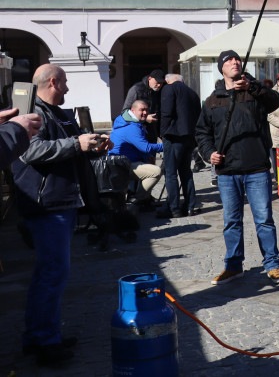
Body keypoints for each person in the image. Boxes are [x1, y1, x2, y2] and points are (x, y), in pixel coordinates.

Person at [12, 65, 111, 366]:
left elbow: (73, 149)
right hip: (47, 205)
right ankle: (44, 341)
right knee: (52, 275)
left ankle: (42, 335)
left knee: (50, 274)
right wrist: (76, 144)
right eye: (65, 82)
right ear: (53, 82)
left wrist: (94, 145)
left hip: (60, 202)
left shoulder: (60, 113)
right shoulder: (33, 113)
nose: (67, 88)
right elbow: (31, 151)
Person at [196, 49, 279, 286]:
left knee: (264, 219)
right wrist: (209, 154)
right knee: (232, 221)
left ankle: (273, 264)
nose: (235, 62)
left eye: (237, 58)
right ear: (221, 68)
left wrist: (252, 87)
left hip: (256, 167)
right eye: (228, 60)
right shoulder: (212, 100)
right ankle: (234, 266)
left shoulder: (255, 91)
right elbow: (203, 133)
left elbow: (275, 101)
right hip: (227, 171)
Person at [159, 73, 202, 218]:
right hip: (189, 137)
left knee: (170, 173)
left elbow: (166, 113)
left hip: (173, 136)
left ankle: (173, 208)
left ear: (168, 80)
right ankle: (190, 206)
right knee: (186, 173)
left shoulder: (169, 89)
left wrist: (163, 132)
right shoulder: (193, 93)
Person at [109, 99, 165, 206]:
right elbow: (146, 147)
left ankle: (144, 199)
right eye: (141, 110)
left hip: (122, 162)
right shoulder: (131, 127)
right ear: (133, 110)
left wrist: (147, 157)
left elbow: (138, 147)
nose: (145, 112)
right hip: (121, 165)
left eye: (146, 110)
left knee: (148, 165)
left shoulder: (126, 120)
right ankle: (137, 199)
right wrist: (167, 147)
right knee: (156, 171)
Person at [123, 69, 165, 142]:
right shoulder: (136, 89)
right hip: (137, 131)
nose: (159, 85)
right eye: (157, 82)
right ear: (150, 79)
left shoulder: (158, 91)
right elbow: (125, 113)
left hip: (152, 133)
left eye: (161, 83)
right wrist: (144, 118)